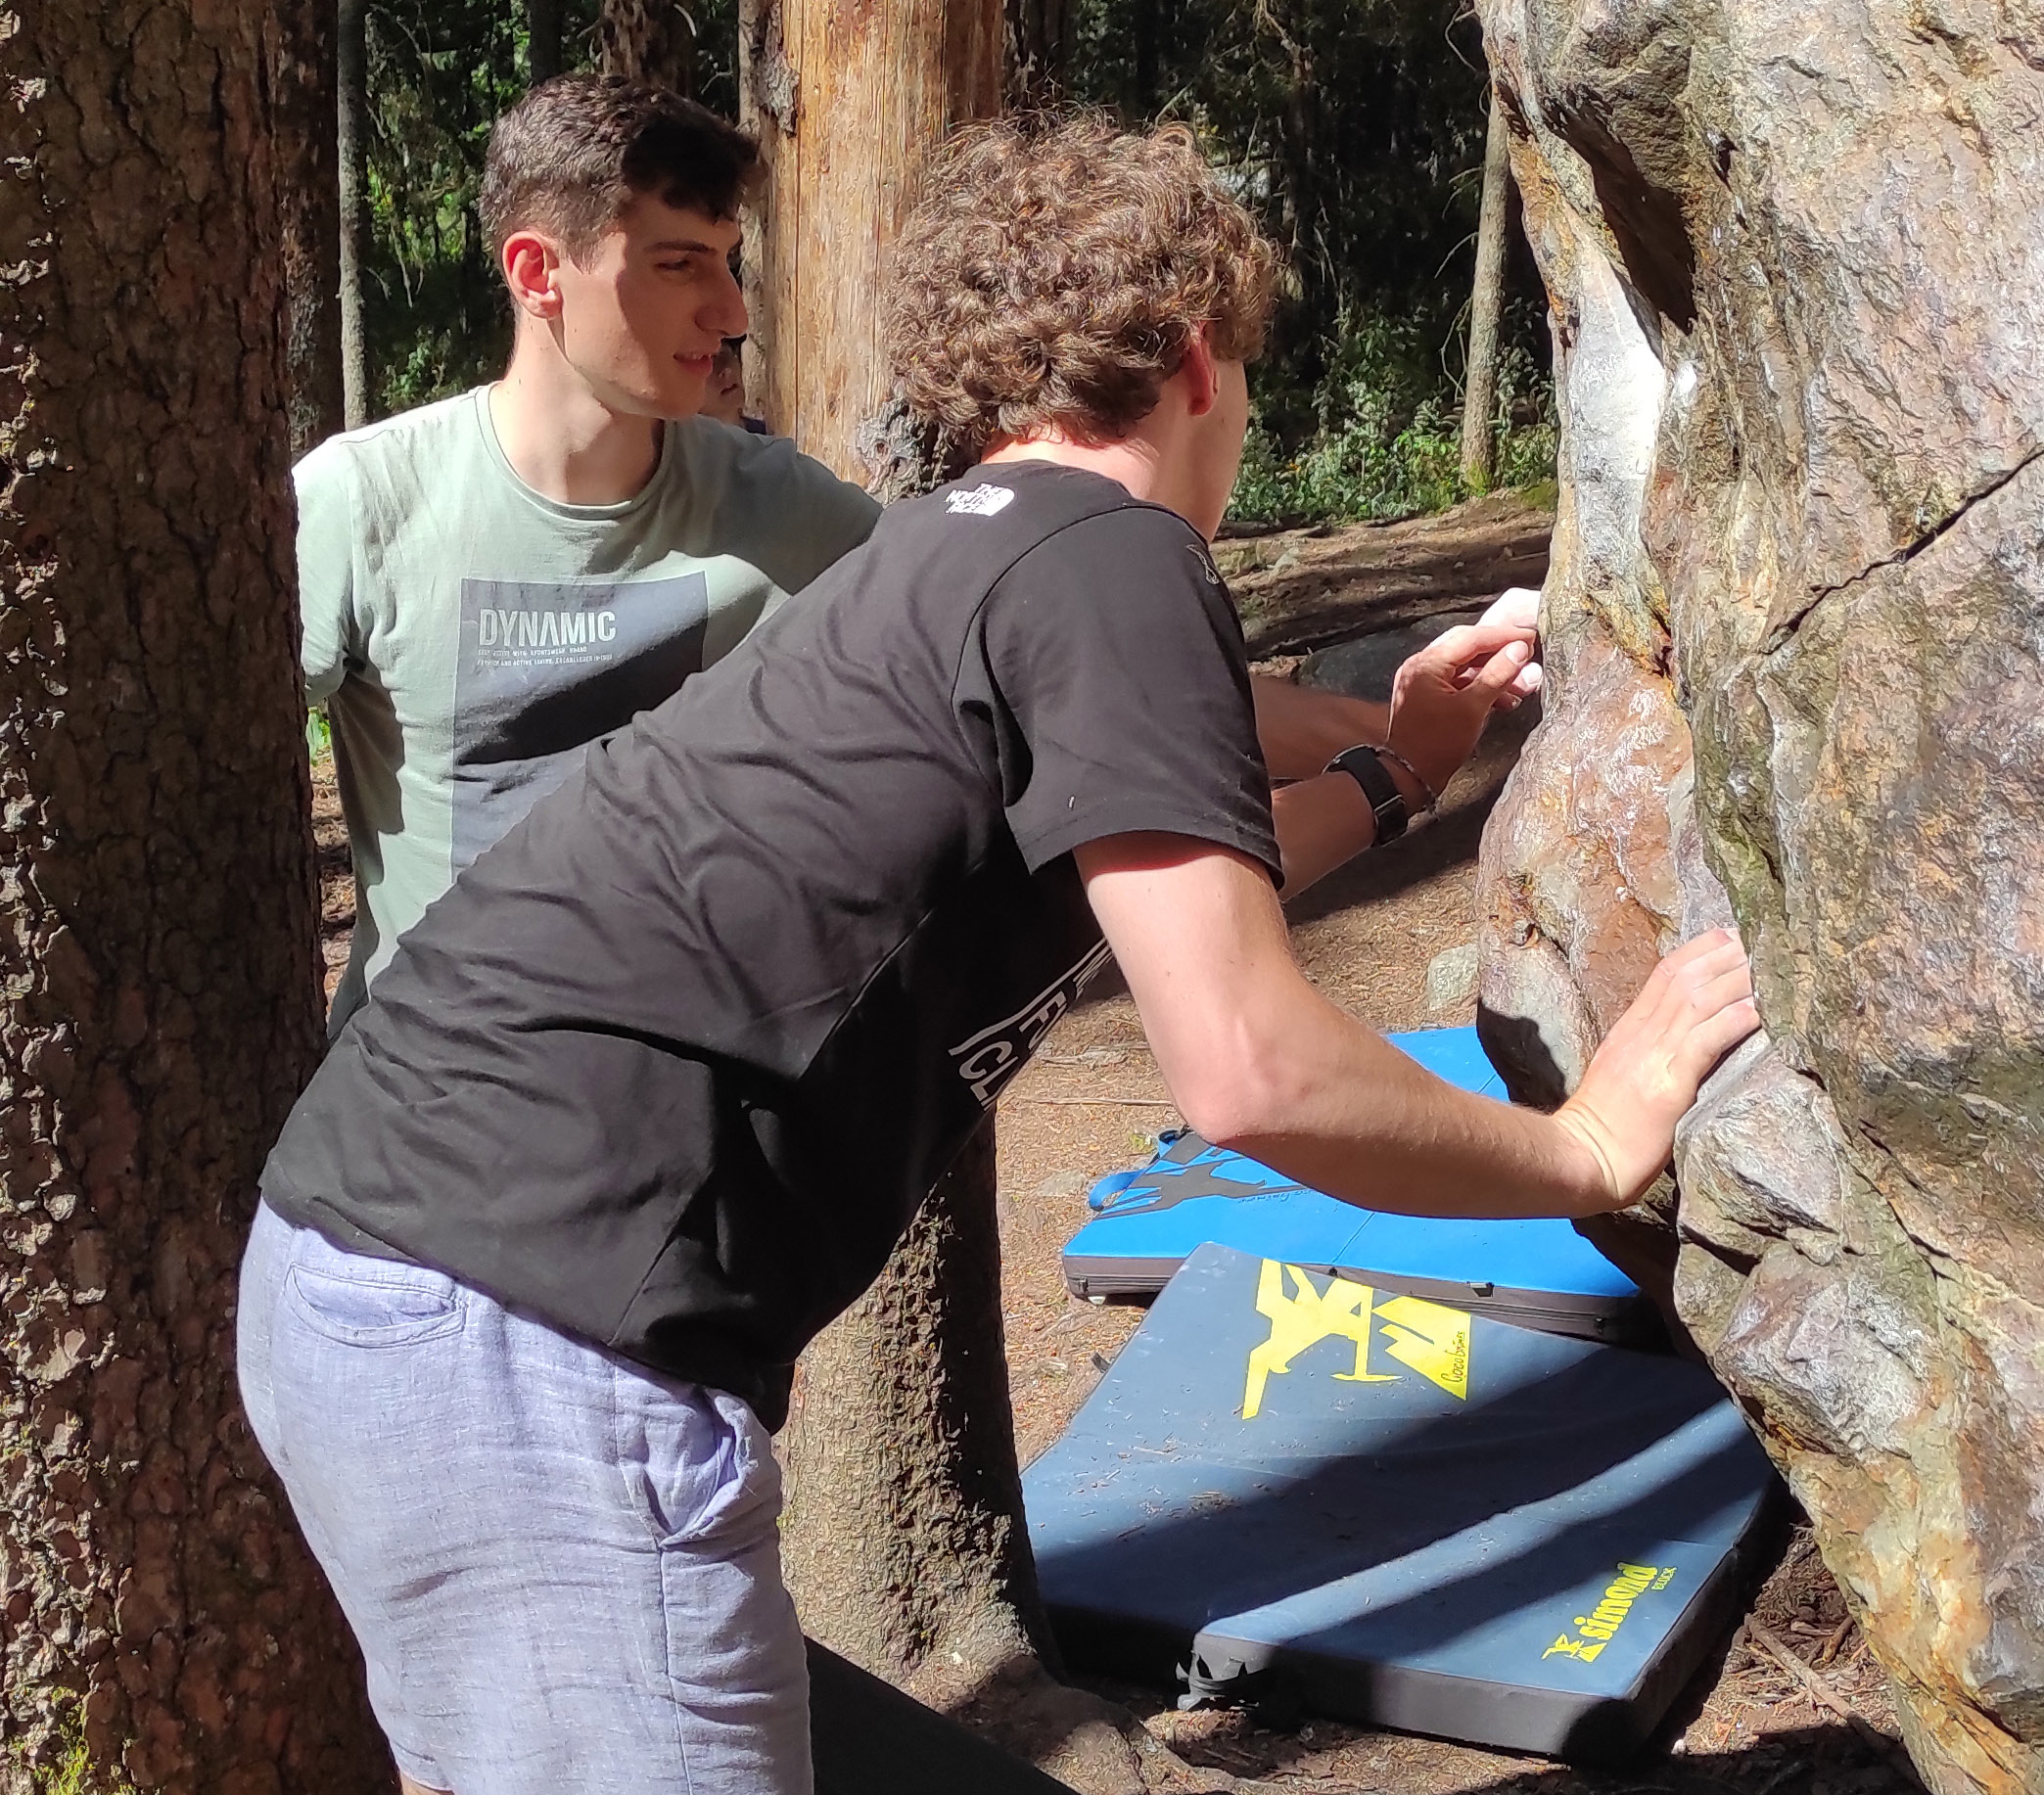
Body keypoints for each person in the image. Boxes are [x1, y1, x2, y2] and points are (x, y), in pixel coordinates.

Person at [240, 117, 1758, 1795]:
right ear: (1196, 354)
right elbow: (1249, 1069)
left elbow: (1170, 836)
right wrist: (1583, 1143)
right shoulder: (1110, 560)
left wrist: (1394, 764)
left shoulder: (962, 546)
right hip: (522, 1331)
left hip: (392, 1274)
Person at [299, 75, 879, 1032]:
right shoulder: (366, 503)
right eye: (680, 264)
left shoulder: (785, 510)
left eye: (730, 264)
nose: (732, 313)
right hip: (431, 1114)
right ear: (537, 273)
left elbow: (975, 643)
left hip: (695, 1110)